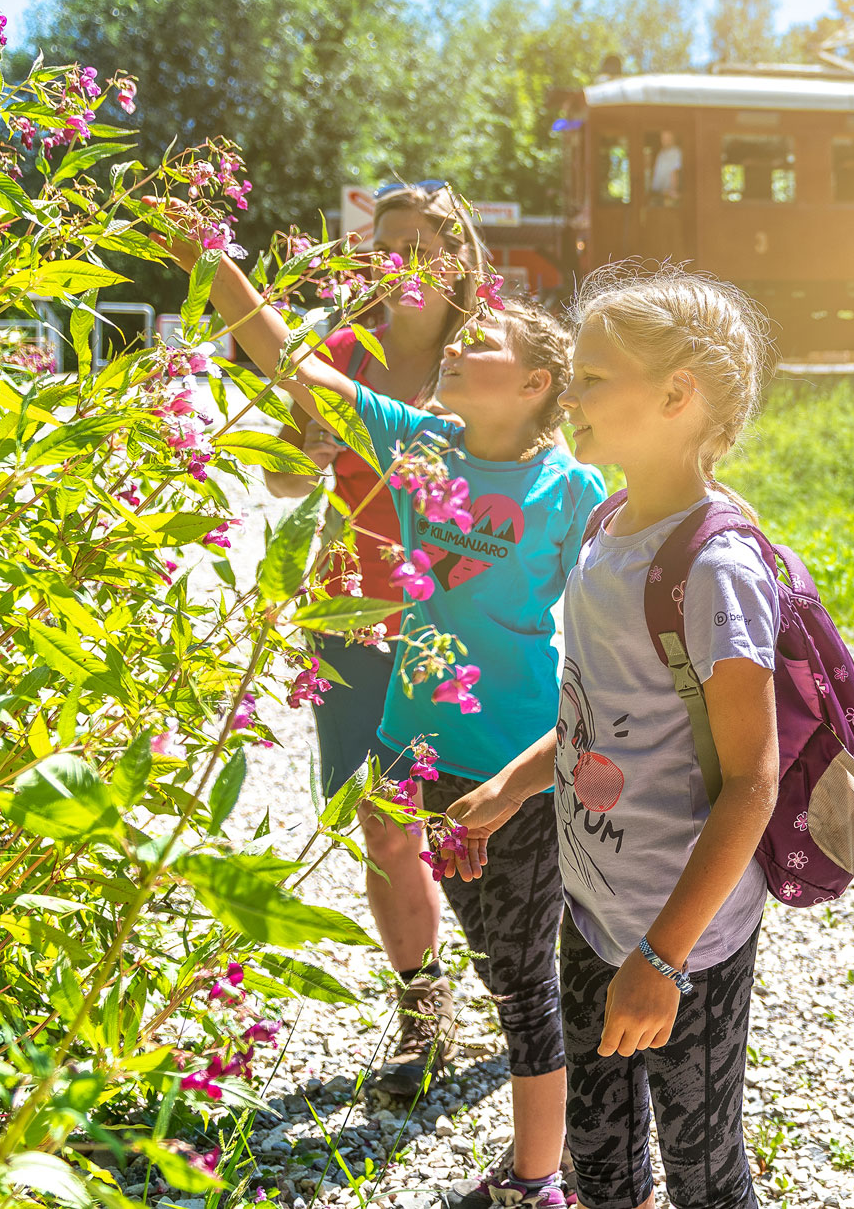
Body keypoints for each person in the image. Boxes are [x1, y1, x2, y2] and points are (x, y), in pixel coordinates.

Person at [155, 211, 606, 1209]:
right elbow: (290, 360)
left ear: (536, 385)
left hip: (511, 769)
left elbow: (617, 619)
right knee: (437, 897)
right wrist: (214, 263)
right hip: (407, 740)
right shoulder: (416, 441)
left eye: (486, 340)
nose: (462, 341)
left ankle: (542, 1173)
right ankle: (440, 1024)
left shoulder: (572, 490)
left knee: (523, 978)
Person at [446, 266, 783, 1209]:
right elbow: (593, 713)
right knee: (599, 1162)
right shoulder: (604, 525)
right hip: (593, 909)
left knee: (705, 1174)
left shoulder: (714, 568)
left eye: (593, 378)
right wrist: (514, 783)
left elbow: (753, 782)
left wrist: (665, 957)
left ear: (678, 394)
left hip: (689, 937)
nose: (571, 396)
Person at [260, 182, 493, 1097]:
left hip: (465, 624)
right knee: (383, 823)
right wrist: (306, 455)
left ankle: (536, 988)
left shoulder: (490, 354)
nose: (396, 263)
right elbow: (281, 479)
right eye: (383, 245)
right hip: (351, 616)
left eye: (418, 244)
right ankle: (423, 1008)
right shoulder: (340, 353)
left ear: (459, 257)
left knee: (489, 816)